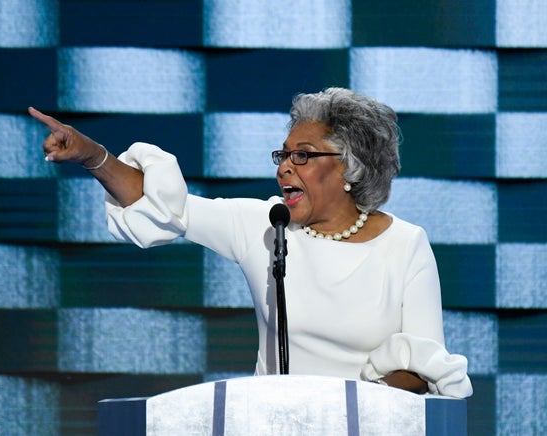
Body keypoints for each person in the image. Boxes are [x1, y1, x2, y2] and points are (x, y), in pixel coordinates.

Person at [29, 87, 473, 398]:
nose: (284, 167)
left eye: (303, 155)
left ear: (351, 168)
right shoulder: (266, 225)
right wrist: (92, 155)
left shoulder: (405, 245)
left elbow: (421, 367)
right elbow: (166, 207)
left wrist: (348, 414)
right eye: (283, 154)